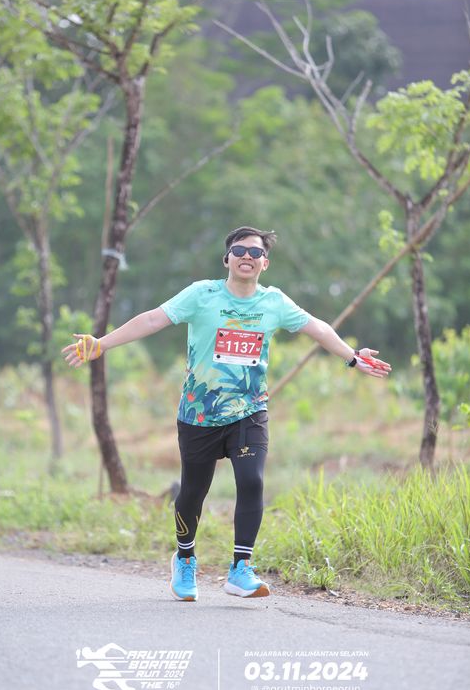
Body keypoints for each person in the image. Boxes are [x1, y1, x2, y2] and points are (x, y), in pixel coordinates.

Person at [62, 226, 391, 602]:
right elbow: (153, 319)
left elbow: (317, 328)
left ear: (265, 263)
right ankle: (185, 558)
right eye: (239, 250)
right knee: (193, 491)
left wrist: (352, 357)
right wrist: (102, 344)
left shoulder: (274, 302)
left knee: (252, 482)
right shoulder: (201, 295)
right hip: (199, 414)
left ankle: (241, 569)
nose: (247, 256)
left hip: (249, 411)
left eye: (255, 252)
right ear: (227, 259)